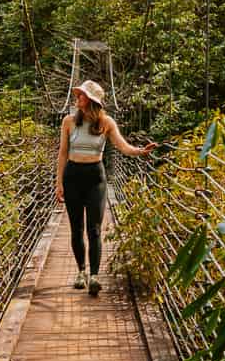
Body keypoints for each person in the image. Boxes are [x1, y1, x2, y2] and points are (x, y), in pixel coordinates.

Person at [56, 79, 154, 296]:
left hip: (95, 178)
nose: (77, 98)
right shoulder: (68, 121)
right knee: (76, 228)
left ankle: (94, 276)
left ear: (91, 100)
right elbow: (62, 153)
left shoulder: (106, 122)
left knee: (95, 228)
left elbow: (122, 146)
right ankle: (81, 272)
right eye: (78, 94)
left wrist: (141, 151)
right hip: (72, 175)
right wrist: (59, 182)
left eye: (81, 95)